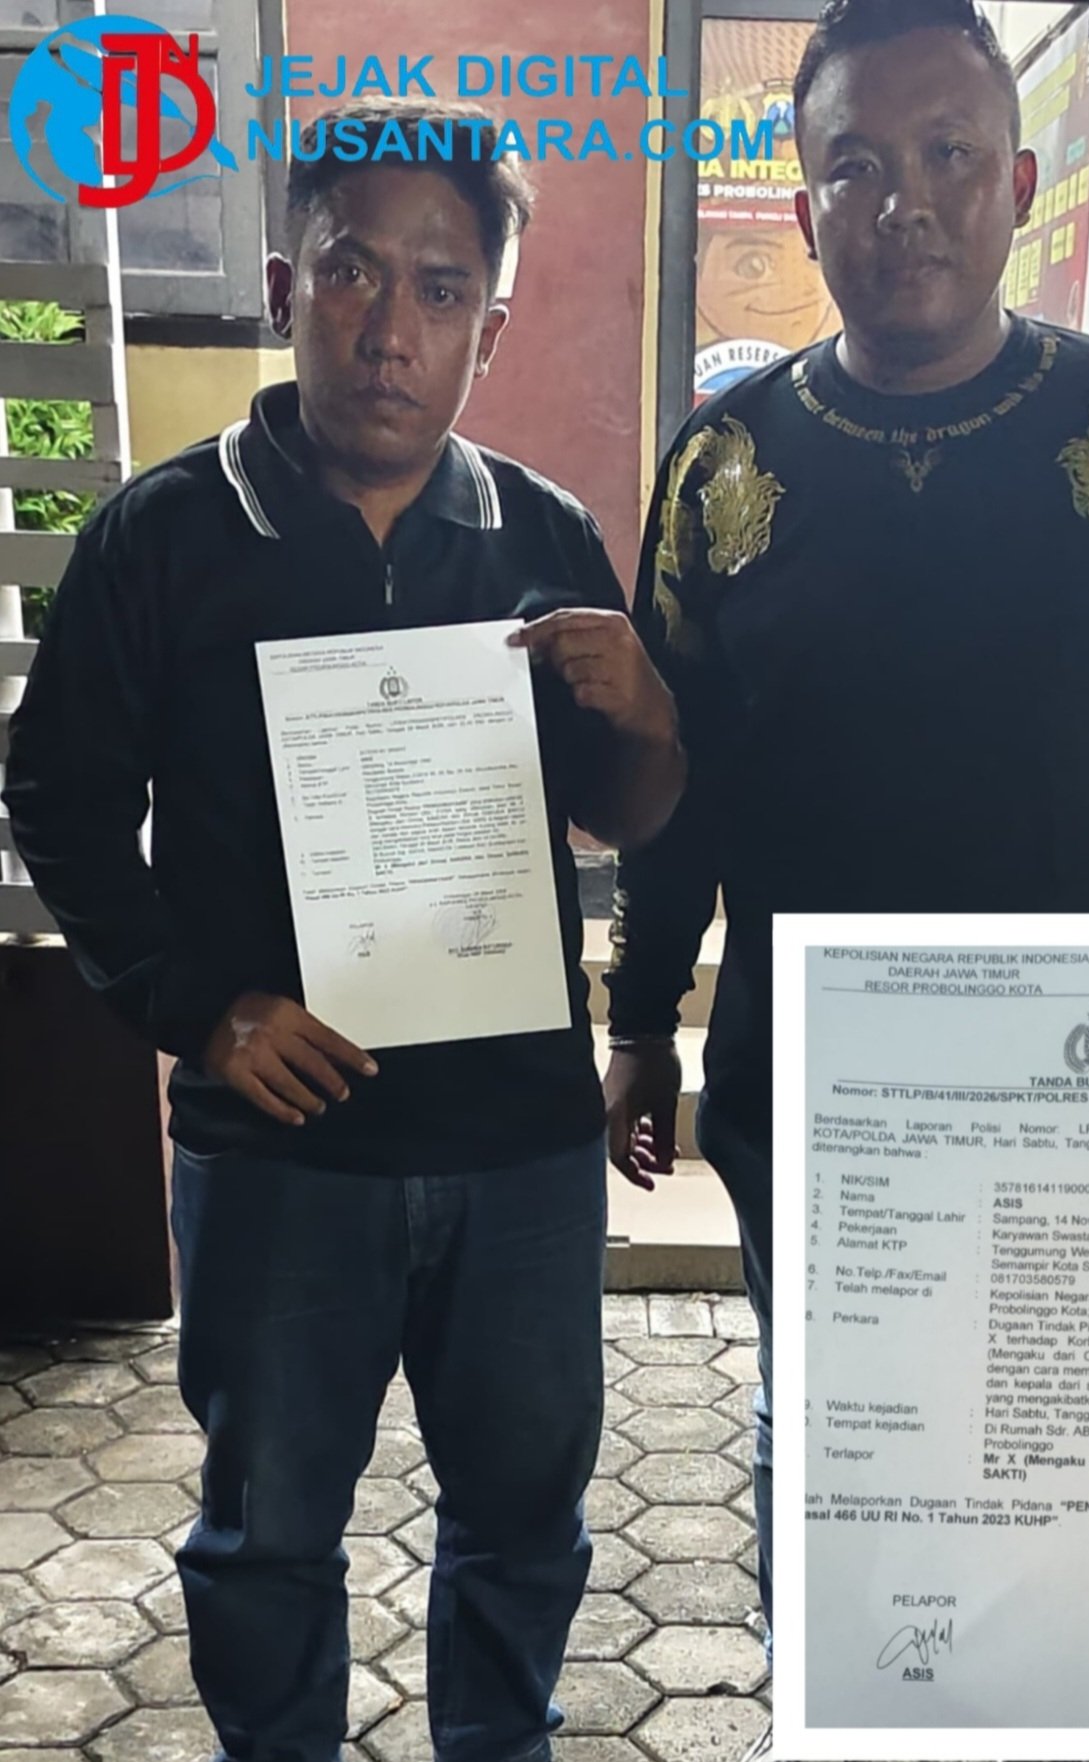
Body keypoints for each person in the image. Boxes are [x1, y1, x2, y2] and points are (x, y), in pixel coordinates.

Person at [602, 2, 1089, 1755]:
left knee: (1045, 1467)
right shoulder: (726, 464)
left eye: (947, 155)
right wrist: (641, 1021)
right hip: (810, 1092)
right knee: (833, 1443)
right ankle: (834, 1710)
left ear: (1021, 184)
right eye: (855, 165)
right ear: (801, 202)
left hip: (1065, 1093)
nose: (903, 202)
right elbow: (679, 780)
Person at [3, 98, 684, 1762]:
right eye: (352, 273)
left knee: (525, 1522)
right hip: (279, 1151)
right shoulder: (163, 535)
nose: (391, 331)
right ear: (280, 284)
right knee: (267, 1538)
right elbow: (59, 798)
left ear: (490, 331)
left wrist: (651, 715)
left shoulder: (541, 536)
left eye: (442, 291)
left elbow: (631, 812)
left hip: (516, 1147)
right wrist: (201, 1010)